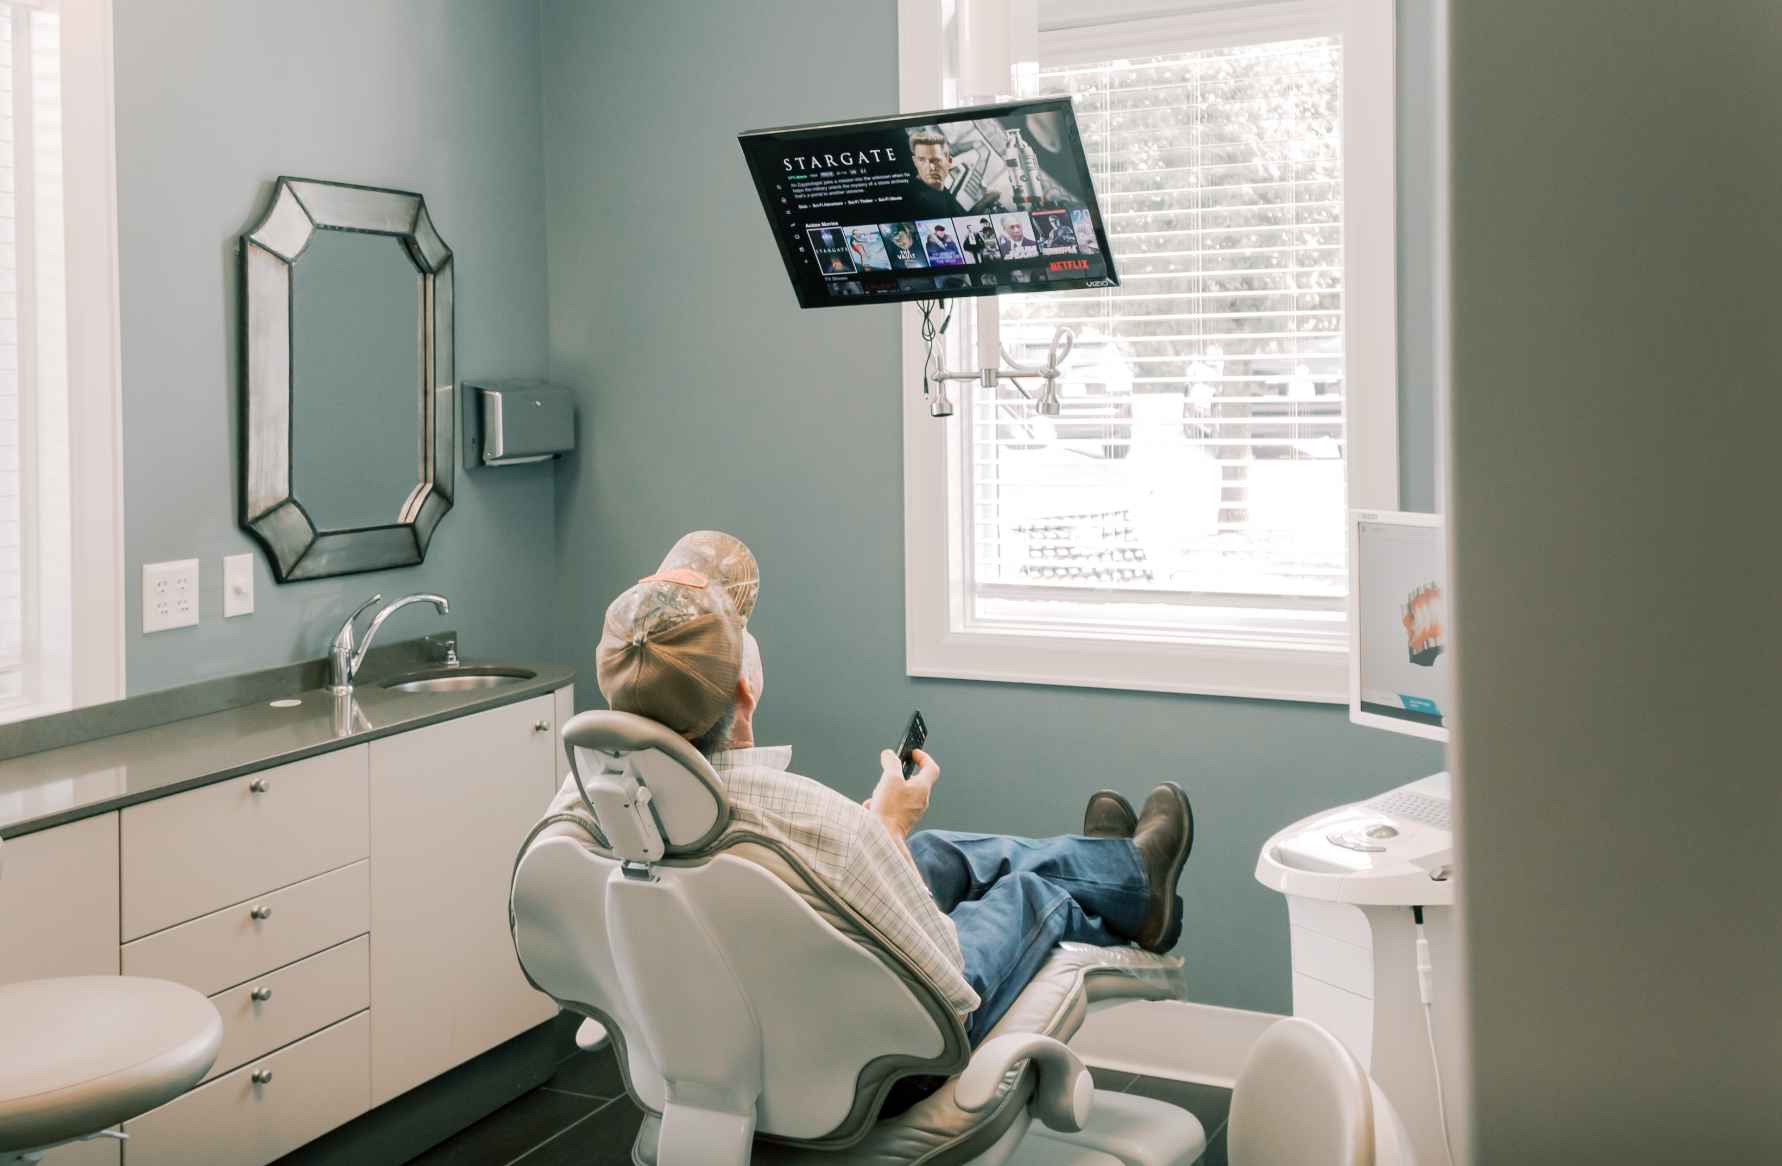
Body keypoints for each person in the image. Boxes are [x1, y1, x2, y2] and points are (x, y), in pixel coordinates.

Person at [549, 531, 1196, 1049]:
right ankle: (1123, 893)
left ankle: (1120, 872)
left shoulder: (580, 814)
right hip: (883, 1044)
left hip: (744, 1007)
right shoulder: (822, 825)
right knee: (1027, 894)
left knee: (940, 854)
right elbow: (943, 979)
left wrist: (878, 836)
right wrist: (882, 831)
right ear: (745, 689)